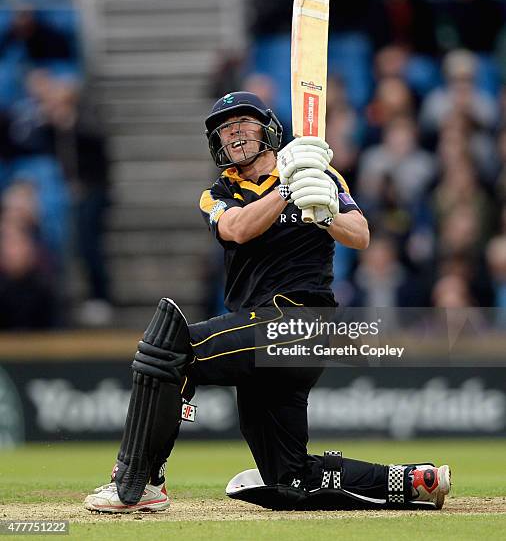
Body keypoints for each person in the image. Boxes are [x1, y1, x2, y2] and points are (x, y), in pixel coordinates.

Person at [84, 92, 450, 513]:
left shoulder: (321, 174)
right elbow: (238, 229)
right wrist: (286, 189)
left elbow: (361, 234)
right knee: (290, 478)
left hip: (300, 323)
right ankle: (413, 481)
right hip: (258, 334)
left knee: (168, 347)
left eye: (244, 121)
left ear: (268, 130)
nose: (234, 130)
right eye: (225, 127)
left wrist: (326, 211)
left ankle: (141, 481)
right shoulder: (218, 192)